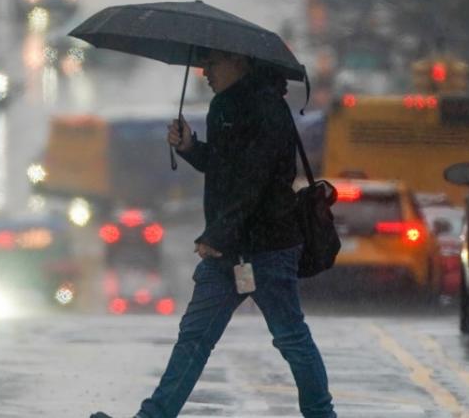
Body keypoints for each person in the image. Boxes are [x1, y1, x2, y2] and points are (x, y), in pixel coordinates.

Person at [91, 48, 336, 418]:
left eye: (212, 63)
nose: (205, 71)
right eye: (203, 63)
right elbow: (224, 169)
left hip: (268, 246)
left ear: (240, 61)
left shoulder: (267, 109)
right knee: (194, 338)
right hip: (230, 249)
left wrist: (218, 235)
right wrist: (189, 147)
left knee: (290, 337)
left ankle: (322, 414)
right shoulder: (225, 106)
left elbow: (253, 182)